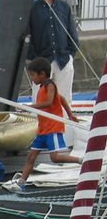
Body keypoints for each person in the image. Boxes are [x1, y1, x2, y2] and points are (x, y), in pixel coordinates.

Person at [5, 57, 80, 191]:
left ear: (42, 74)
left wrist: (30, 107)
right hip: (43, 129)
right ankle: (21, 183)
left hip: (52, 127)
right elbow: (61, 98)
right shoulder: (42, 87)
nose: (32, 78)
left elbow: (50, 102)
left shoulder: (50, 85)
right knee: (31, 156)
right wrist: (70, 114)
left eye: (33, 75)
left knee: (55, 158)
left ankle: (82, 161)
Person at [28, 0, 79, 145]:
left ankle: (65, 137)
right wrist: (35, 59)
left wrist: (71, 54)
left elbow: (72, 33)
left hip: (63, 59)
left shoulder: (64, 7)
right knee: (40, 99)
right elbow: (29, 36)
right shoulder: (33, 10)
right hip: (43, 61)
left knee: (65, 97)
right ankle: (42, 136)